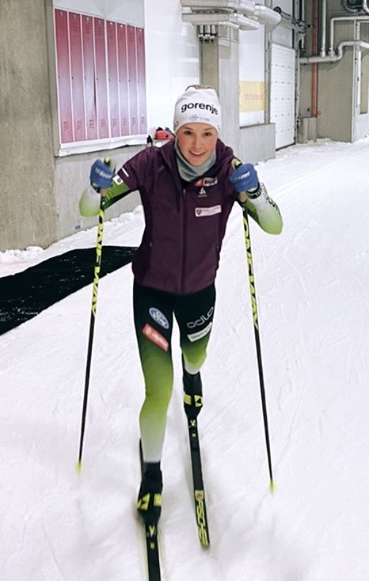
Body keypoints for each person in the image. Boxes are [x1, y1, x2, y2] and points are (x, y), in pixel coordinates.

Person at [79, 85, 283, 526]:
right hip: (151, 290)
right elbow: (90, 206)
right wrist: (96, 188)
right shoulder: (152, 163)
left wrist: (257, 193)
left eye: (206, 133)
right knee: (158, 390)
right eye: (187, 132)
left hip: (198, 293)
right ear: (175, 131)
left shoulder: (231, 169)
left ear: (217, 132)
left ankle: (195, 373)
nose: (196, 144)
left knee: (196, 355)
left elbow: (274, 225)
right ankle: (151, 474)